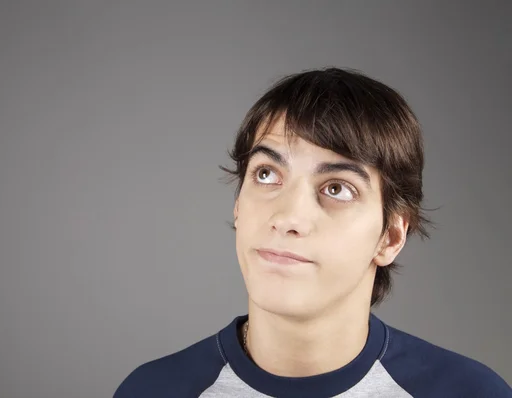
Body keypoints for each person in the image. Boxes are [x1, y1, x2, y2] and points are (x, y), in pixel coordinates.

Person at [114, 67, 512, 397]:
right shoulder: (153, 389)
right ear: (238, 205)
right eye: (267, 174)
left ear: (390, 237)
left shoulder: (471, 392)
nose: (287, 216)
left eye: (337, 188)